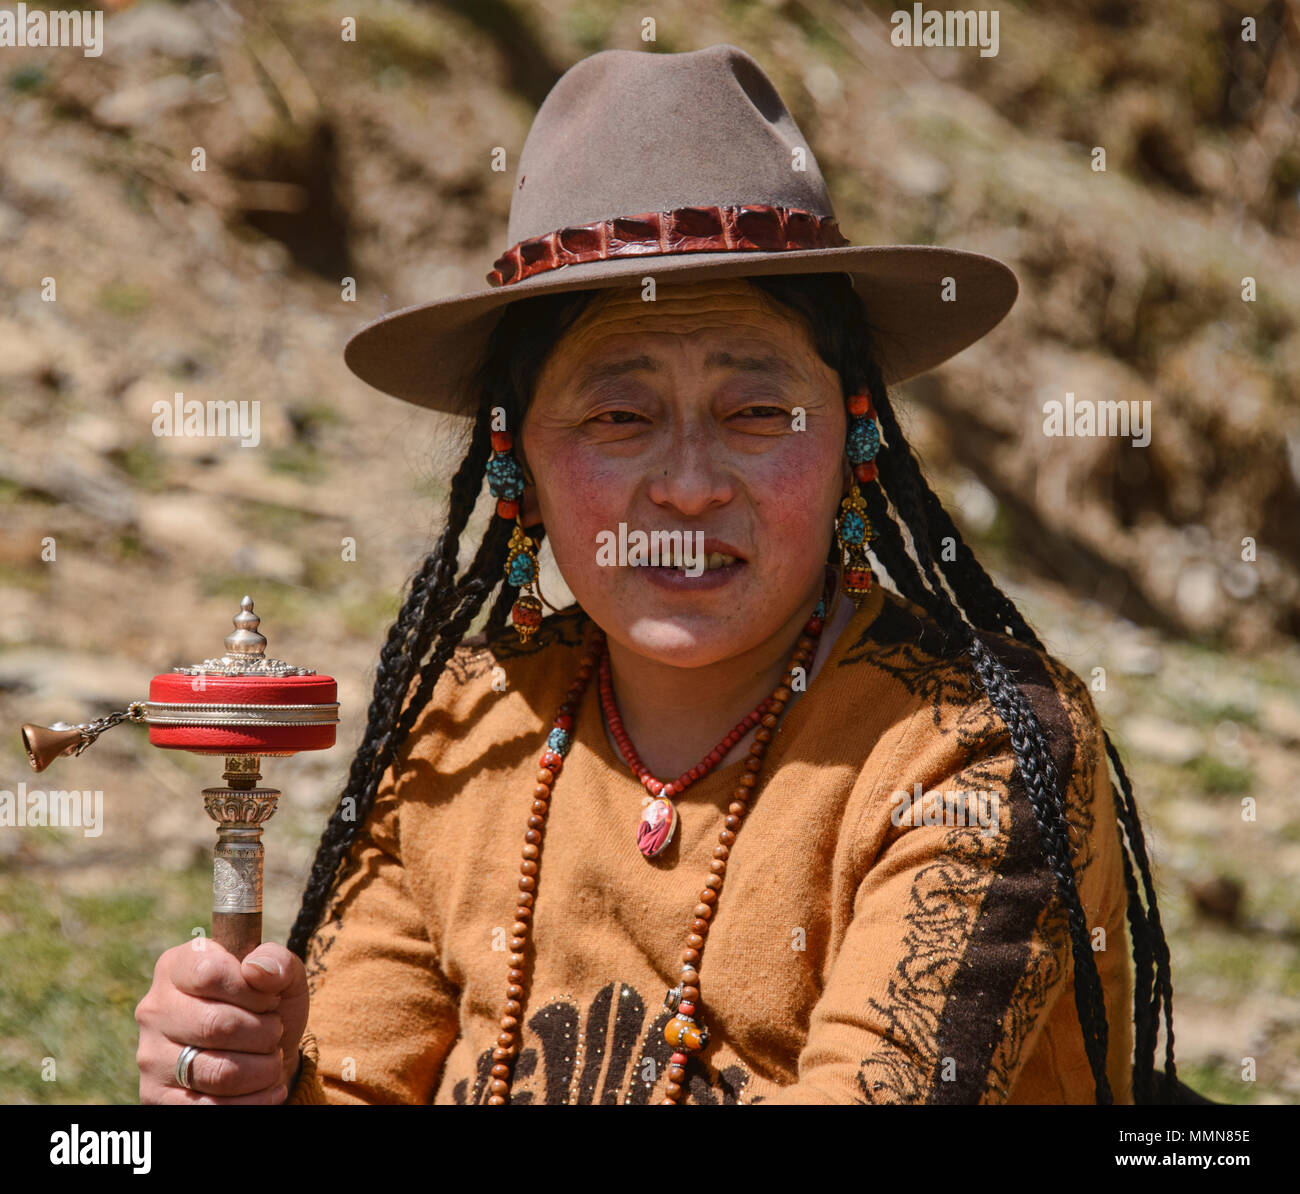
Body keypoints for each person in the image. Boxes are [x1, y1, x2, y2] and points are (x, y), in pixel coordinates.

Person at [135, 43, 1180, 1106]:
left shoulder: (974, 747)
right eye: (619, 417)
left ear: (853, 436)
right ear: (519, 465)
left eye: (756, 413)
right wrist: (247, 1087)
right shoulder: (466, 726)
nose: (687, 486)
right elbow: (358, 1082)